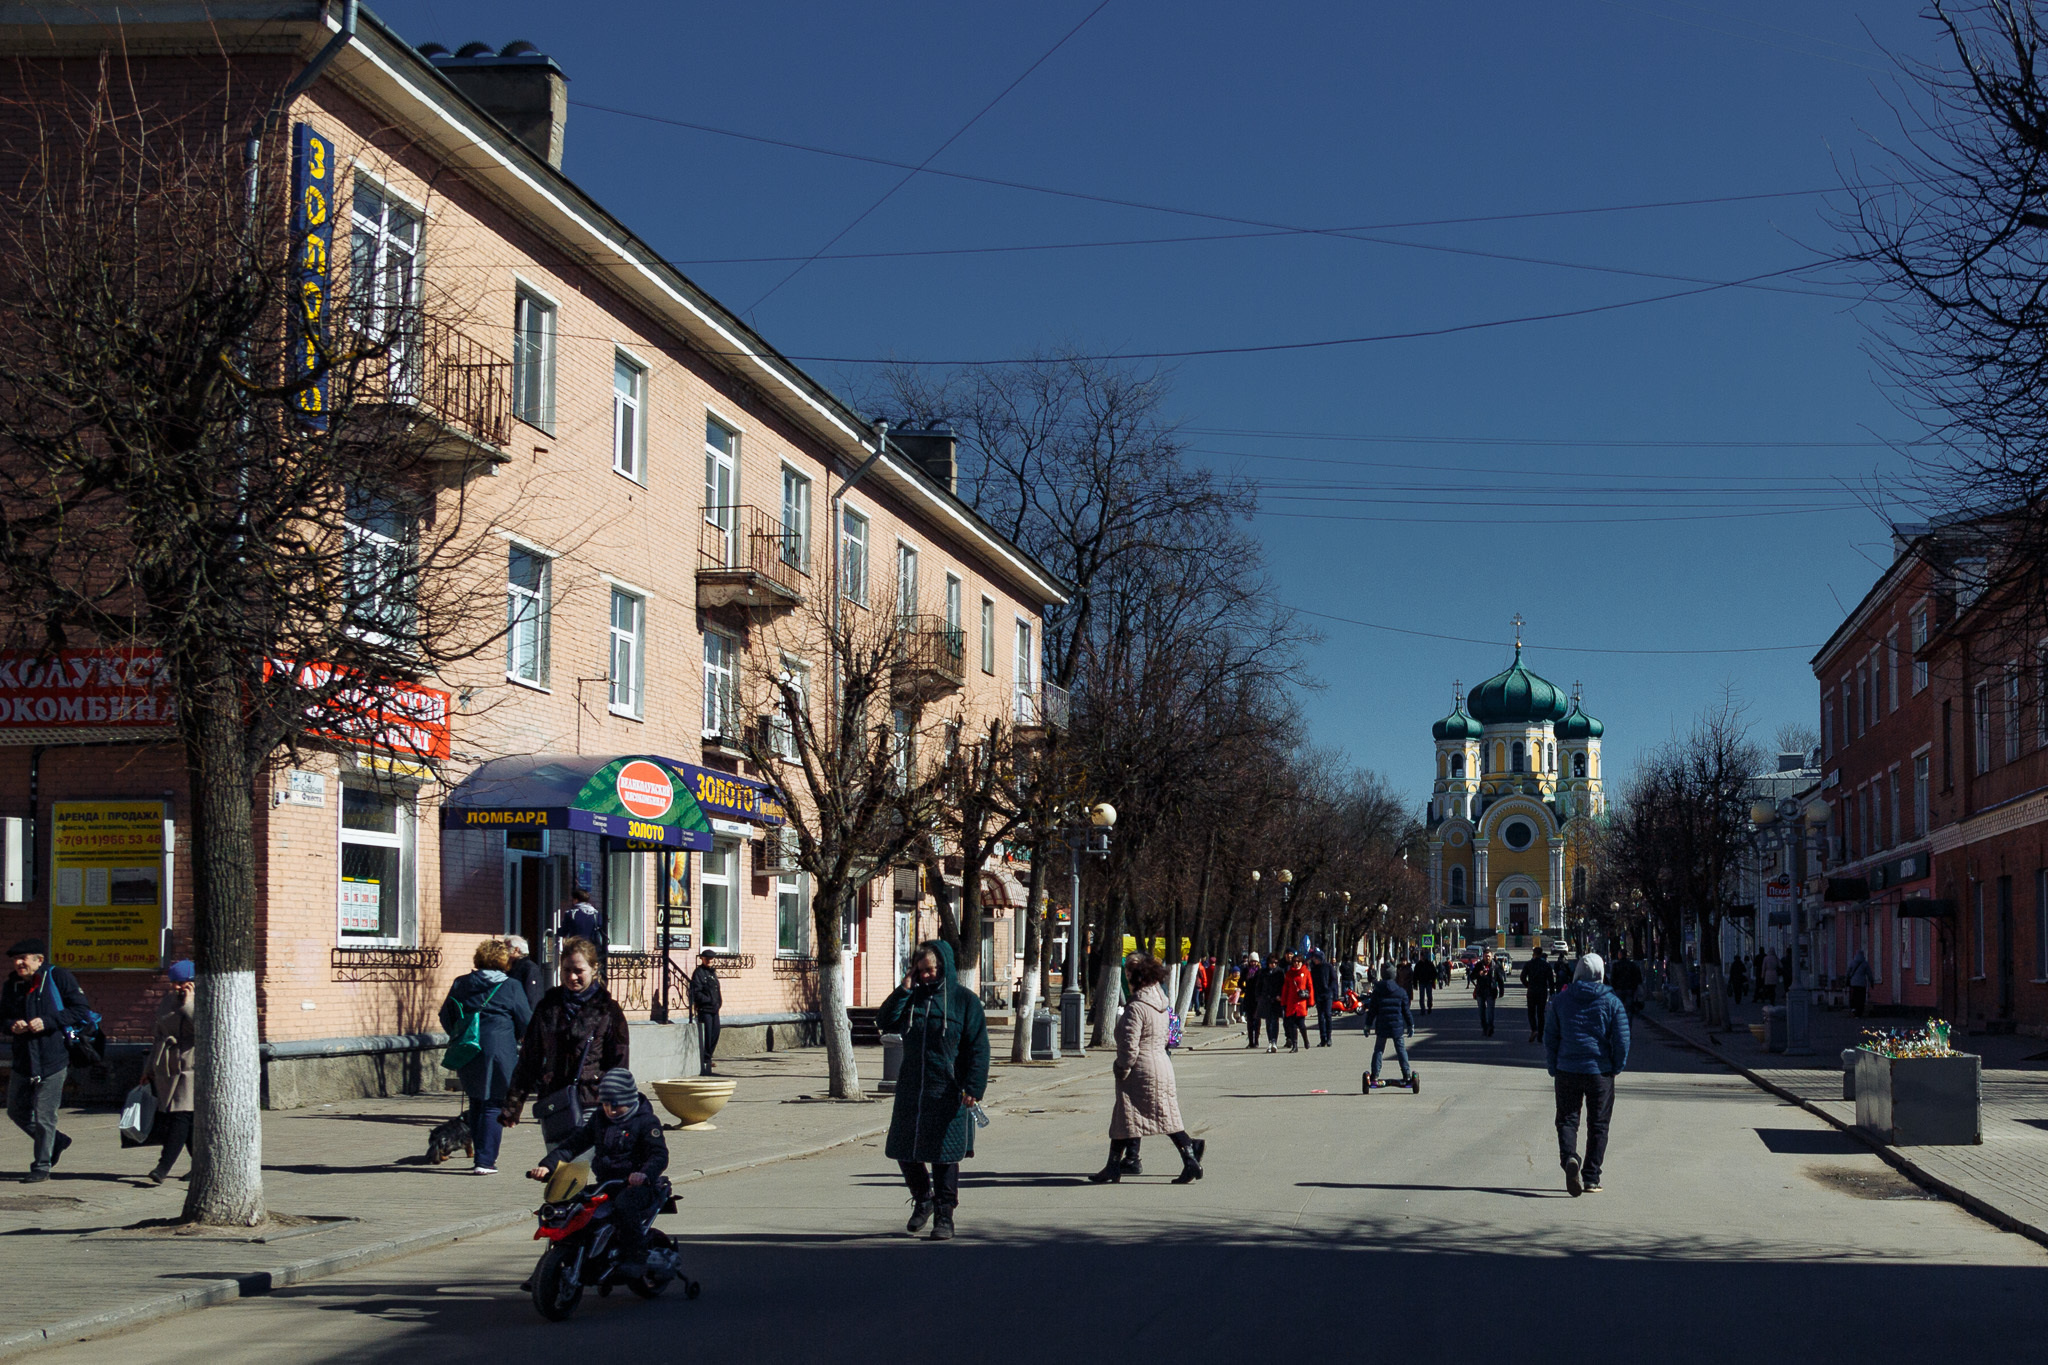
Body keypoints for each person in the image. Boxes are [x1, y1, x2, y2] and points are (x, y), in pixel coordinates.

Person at [877, 941, 989, 1241]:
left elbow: (978, 1048)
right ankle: (923, 1198)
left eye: (931, 970)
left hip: (947, 1088)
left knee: (944, 1155)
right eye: (921, 970)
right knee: (904, 1148)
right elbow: (885, 1021)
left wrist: (974, 1087)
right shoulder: (912, 999)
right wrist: (904, 988)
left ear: (943, 967)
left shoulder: (965, 1001)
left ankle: (944, 1215)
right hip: (912, 1087)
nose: (927, 976)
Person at [527, 1068, 669, 1275]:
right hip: (607, 1183)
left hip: (639, 1186)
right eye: (605, 1103)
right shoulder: (600, 1119)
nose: (609, 1109)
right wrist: (546, 1166)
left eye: (615, 1104)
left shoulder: (646, 1122)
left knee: (624, 1205)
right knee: (572, 1207)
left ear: (629, 1100)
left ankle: (635, 1256)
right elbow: (573, 1145)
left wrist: (644, 1174)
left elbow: (659, 1155)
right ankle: (550, 1267)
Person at [1090, 953, 1206, 1185]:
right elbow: (1163, 1038)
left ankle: (1117, 1166)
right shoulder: (1161, 1004)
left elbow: (1129, 1046)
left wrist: (1121, 1068)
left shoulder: (1136, 1008)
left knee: (1133, 1116)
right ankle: (1187, 1159)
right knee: (1147, 1118)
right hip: (1161, 1064)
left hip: (1140, 1069)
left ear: (1137, 979)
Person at [503, 937, 630, 1137]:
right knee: (559, 1164)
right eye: (566, 970)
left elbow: (619, 1063)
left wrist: (617, 1103)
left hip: (592, 1100)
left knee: (581, 1163)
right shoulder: (548, 1005)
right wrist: (513, 1105)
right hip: (555, 1100)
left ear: (594, 969)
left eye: (579, 971)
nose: (572, 977)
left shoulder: (608, 1010)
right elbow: (529, 1058)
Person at [439, 938, 534, 1176]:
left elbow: (446, 1014)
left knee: (477, 1101)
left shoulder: (461, 983)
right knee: (493, 1105)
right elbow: (525, 1021)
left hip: (468, 1048)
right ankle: (485, 1161)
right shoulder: (510, 986)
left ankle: (481, 1157)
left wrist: (458, 1034)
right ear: (504, 961)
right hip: (499, 1050)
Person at [2, 939, 90, 1182]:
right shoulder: (12, 985)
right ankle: (58, 1141)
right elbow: (3, 1018)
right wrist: (12, 1025)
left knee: (44, 1116)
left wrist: (48, 1021)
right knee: (16, 1111)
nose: (19, 963)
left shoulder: (57, 977)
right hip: (24, 1059)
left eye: (25, 958)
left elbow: (80, 1009)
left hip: (53, 1058)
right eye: (16, 959)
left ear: (39, 960)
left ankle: (41, 1166)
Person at [1544, 952, 1630, 1196]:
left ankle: (1570, 1158)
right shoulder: (1611, 1001)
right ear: (1601, 973)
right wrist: (1617, 1066)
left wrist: (1553, 1065)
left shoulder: (1561, 1000)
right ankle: (1591, 1177)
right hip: (1599, 1072)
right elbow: (1622, 1039)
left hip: (1567, 1070)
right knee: (1599, 1124)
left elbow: (1550, 1036)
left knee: (1567, 1119)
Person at [140, 960, 196, 1184]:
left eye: (181, 982)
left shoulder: (203, 1000)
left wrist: (189, 1003)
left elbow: (203, 1028)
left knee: (180, 1116)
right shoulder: (168, 1001)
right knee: (186, 1120)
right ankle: (201, 1165)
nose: (176, 987)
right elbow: (158, 1036)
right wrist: (149, 1069)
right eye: (173, 982)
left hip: (192, 1066)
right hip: (167, 1065)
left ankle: (162, 1168)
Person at [1364, 963, 1417, 1089]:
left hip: (1382, 1025)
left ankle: (1375, 1076)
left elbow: (1372, 1010)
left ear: (1382, 975)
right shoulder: (1401, 991)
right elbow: (1406, 1011)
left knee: (1379, 1050)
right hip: (1397, 1027)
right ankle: (1407, 1075)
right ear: (1394, 975)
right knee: (1400, 1050)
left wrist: (1367, 1025)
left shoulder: (1377, 991)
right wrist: (1410, 1025)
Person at [554, 887, 603, 980]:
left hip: (575, 948)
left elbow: (564, 931)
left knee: (574, 971)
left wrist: (556, 932)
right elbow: (600, 929)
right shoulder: (596, 914)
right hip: (591, 949)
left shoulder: (571, 913)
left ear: (576, 900)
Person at [688, 949, 724, 1074]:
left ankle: (709, 1056)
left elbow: (716, 989)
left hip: (714, 1009)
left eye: (711, 959)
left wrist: (719, 1002)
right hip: (705, 1009)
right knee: (707, 1035)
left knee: (715, 1033)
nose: (709, 961)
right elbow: (696, 992)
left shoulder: (712, 973)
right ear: (702, 959)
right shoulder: (699, 973)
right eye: (707, 959)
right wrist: (707, 1000)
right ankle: (705, 1060)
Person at [1252, 951, 1285, 1053]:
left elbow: (1283, 986)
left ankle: (1274, 1041)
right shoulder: (1263, 972)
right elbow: (1258, 986)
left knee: (1275, 1021)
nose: (1273, 965)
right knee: (1267, 1021)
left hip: (1276, 1000)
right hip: (1265, 999)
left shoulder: (1280, 972)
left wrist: (1280, 996)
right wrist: (1259, 997)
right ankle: (1270, 1041)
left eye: (1275, 963)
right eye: (1271, 963)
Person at [504, 934, 547, 1010]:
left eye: (506, 948)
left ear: (516, 950)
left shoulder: (530, 968)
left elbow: (533, 998)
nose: (503, 952)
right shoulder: (510, 967)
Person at [1521, 948, 1554, 1043]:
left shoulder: (1529, 964)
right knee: (1541, 1014)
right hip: (1542, 991)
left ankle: (1534, 1029)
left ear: (1534, 954)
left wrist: (1528, 985)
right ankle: (1540, 1035)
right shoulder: (1546, 965)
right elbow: (1551, 980)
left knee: (1531, 1012)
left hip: (1532, 991)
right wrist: (1551, 993)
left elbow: (1522, 977)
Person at [1281, 953, 1313, 1052]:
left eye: (1298, 961)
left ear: (1301, 962)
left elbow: (1310, 987)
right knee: (1292, 1025)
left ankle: (1306, 1040)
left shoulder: (1306, 972)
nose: (1296, 963)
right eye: (1294, 962)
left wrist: (1310, 1001)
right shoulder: (1289, 974)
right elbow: (1285, 989)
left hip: (1301, 1002)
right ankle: (1295, 1046)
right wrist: (1283, 1002)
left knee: (1301, 1024)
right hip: (1291, 1002)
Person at [1308, 949, 1339, 1046]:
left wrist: (1332, 992)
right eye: (1314, 959)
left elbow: (1333, 980)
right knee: (1320, 1017)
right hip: (1318, 995)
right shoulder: (1314, 968)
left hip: (1327, 994)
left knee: (1328, 1015)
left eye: (1316, 958)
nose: (1314, 960)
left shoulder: (1328, 967)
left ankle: (1329, 1037)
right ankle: (1323, 1038)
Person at [1470, 947, 1502, 1037]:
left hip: (1491, 991)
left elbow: (1500, 979)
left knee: (1490, 1011)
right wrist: (1479, 974)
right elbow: (1472, 976)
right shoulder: (1479, 965)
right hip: (1480, 991)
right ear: (1483, 956)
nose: (1487, 958)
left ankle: (1490, 1027)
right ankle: (1484, 1027)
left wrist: (1501, 990)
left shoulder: (1495, 965)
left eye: (1488, 956)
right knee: (1481, 1011)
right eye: (1485, 956)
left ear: (1491, 956)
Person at [1240, 952, 1263, 1046]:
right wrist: (1244, 989)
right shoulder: (1246, 970)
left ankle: (1256, 1040)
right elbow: (1240, 982)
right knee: (1250, 1020)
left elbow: (1263, 983)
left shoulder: (1260, 971)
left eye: (1255, 961)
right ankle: (1250, 1041)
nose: (1253, 963)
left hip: (1258, 998)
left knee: (1257, 1020)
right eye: (1252, 961)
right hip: (1249, 997)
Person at [1847, 949, 1872, 1018]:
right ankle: (1859, 1012)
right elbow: (1869, 973)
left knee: (1854, 997)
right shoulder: (1865, 963)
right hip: (1862, 983)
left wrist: (1847, 980)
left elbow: (1848, 972)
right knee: (1861, 998)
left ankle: (1853, 1009)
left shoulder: (1852, 963)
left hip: (1853, 983)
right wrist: (1871, 981)